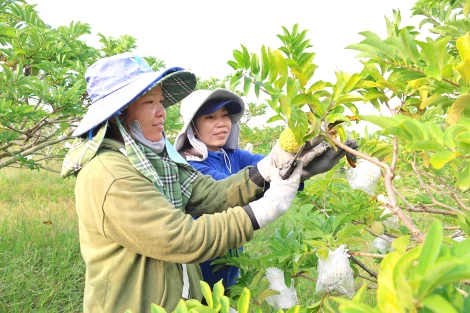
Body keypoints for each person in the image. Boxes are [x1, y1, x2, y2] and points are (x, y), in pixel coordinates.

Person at [60, 52, 308, 313]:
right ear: (117, 114)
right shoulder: (110, 173)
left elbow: (207, 194)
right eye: (148, 102)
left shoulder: (155, 157)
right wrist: (267, 208)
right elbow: (179, 238)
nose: (161, 113)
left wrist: (271, 167)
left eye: (160, 101)